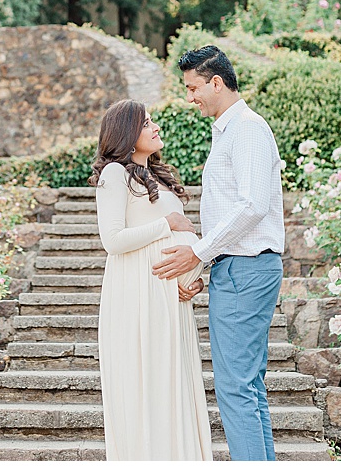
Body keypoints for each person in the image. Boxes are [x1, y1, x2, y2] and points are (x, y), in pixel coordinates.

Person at [151, 45, 286, 461]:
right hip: (238, 267)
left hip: (246, 268)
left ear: (216, 82)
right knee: (246, 386)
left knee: (234, 387)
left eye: (193, 88)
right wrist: (209, 259)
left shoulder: (246, 128)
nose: (189, 97)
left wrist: (198, 252)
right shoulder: (230, 130)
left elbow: (252, 206)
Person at [91, 99, 213, 461]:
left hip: (169, 300)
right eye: (147, 123)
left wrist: (193, 280)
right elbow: (112, 240)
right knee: (146, 387)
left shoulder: (157, 179)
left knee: (173, 388)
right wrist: (168, 224)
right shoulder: (115, 174)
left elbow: (180, 245)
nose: (155, 127)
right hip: (136, 298)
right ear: (128, 135)